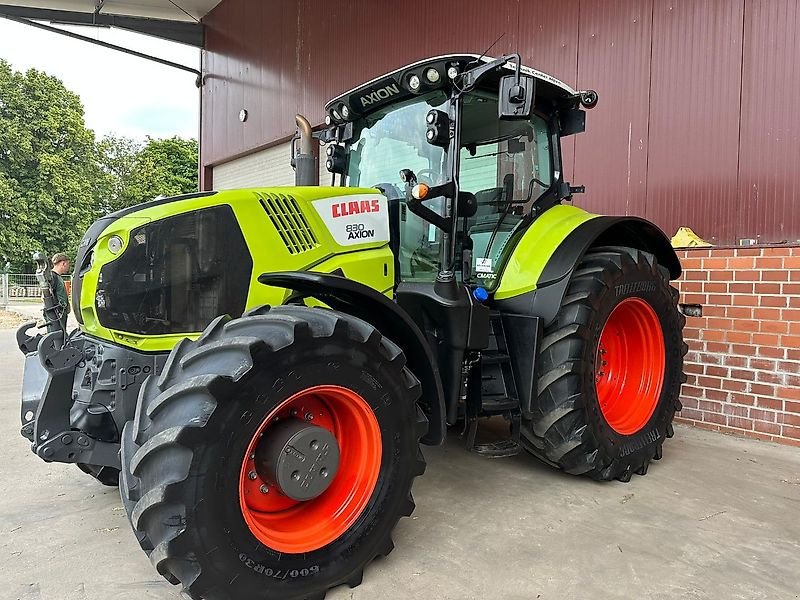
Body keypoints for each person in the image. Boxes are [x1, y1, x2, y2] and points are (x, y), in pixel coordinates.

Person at [46, 252, 71, 333]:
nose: (68, 267)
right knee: (57, 338)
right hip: (56, 314)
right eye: (68, 264)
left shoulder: (56, 277)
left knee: (60, 337)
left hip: (59, 313)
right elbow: (46, 295)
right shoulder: (53, 277)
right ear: (63, 263)